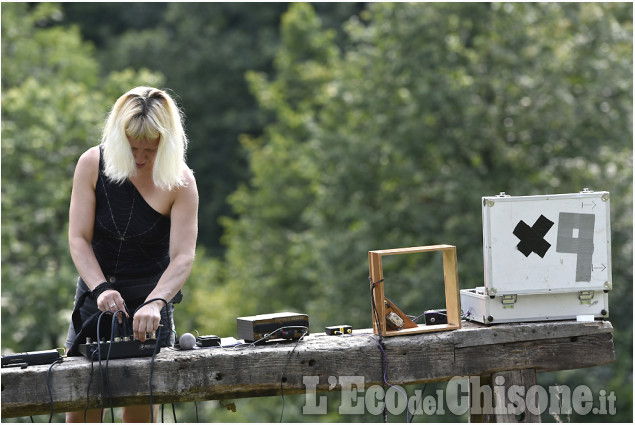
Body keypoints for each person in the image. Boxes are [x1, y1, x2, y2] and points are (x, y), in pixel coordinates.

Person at [65, 86, 198, 423]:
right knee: (81, 405)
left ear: (165, 145)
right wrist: (100, 289)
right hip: (96, 297)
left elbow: (182, 256)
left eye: (150, 150)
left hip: (151, 304)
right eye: (132, 147)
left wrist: (156, 303)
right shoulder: (91, 163)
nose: (139, 158)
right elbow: (78, 239)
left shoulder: (181, 183)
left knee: (139, 408)